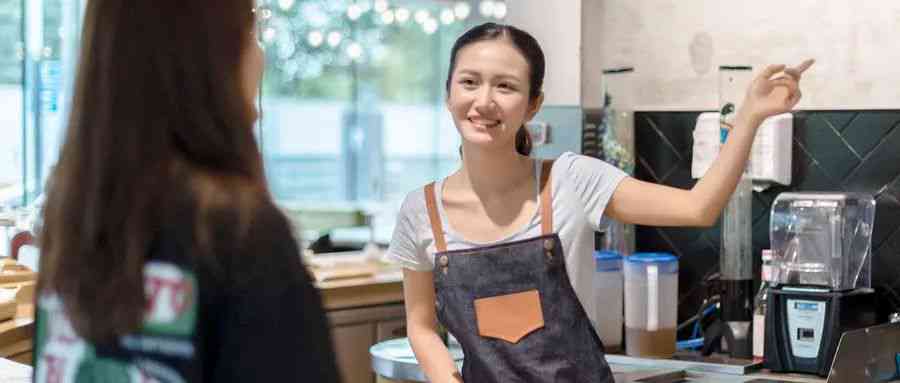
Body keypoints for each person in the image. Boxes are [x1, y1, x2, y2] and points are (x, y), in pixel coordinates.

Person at [385, 22, 813, 382]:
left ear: (533, 105)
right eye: (469, 82)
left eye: (506, 86)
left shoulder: (571, 179)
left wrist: (751, 116)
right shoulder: (421, 212)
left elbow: (696, 208)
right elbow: (422, 327)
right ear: (447, 93)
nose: (484, 101)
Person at [32, 1, 340, 382]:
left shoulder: (70, 218)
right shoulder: (239, 232)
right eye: (252, 28)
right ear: (211, 55)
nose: (260, 55)